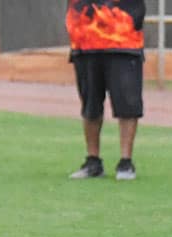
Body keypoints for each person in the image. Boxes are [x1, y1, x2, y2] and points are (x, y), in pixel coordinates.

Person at [65, 0, 145, 180]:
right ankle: (93, 161)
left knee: (127, 103)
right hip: (84, 40)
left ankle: (126, 162)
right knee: (90, 105)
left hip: (124, 41)